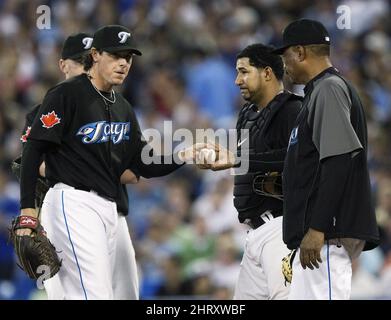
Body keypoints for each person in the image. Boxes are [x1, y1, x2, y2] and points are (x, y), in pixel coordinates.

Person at [17, 25, 202, 300]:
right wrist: (28, 211)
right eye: (116, 56)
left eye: (128, 57)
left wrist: (185, 155)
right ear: (95, 55)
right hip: (73, 202)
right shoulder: (66, 95)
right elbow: (33, 151)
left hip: (109, 208)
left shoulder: (123, 106)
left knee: (120, 295)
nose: (123, 63)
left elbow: (142, 163)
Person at [273, 19, 380, 300]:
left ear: (299, 52)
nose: (284, 65)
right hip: (317, 240)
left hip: (326, 239)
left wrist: (318, 228)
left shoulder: (329, 88)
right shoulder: (317, 92)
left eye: (285, 56)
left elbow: (339, 160)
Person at [198, 44, 302, 299]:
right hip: (254, 233)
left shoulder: (292, 110)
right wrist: (222, 156)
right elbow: (249, 161)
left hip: (281, 227)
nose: (237, 80)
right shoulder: (247, 114)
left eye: (244, 72)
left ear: (267, 73)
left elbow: (294, 160)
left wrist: (235, 159)